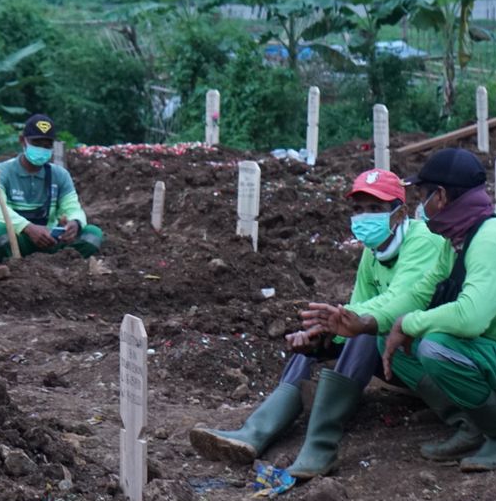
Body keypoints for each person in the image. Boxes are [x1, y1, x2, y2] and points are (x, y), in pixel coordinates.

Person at [190, 168, 452, 479]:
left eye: (375, 209)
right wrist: (323, 337)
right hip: (396, 352)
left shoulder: (423, 242)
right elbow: (358, 306)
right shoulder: (373, 253)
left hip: (433, 358)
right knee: (318, 340)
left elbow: (398, 302)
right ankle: (254, 433)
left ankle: (321, 446)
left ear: (400, 213)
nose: (364, 217)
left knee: (365, 332)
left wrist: (345, 322)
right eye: (358, 209)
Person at [362, 148, 496, 472]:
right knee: (391, 342)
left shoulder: (492, 240)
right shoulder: (456, 241)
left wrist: (411, 323)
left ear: (440, 197)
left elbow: (470, 318)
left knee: (435, 345)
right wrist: (366, 321)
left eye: (424, 195)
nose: (420, 206)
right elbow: (419, 294)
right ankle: (472, 423)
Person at [0, 114, 102, 262]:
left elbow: (73, 208)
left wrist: (74, 223)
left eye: (47, 145)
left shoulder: (60, 175)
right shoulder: (2, 172)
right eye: (36, 143)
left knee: (93, 234)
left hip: (50, 241)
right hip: (18, 240)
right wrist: (28, 228)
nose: (42, 149)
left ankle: (59, 265)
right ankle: (13, 264)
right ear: (22, 141)